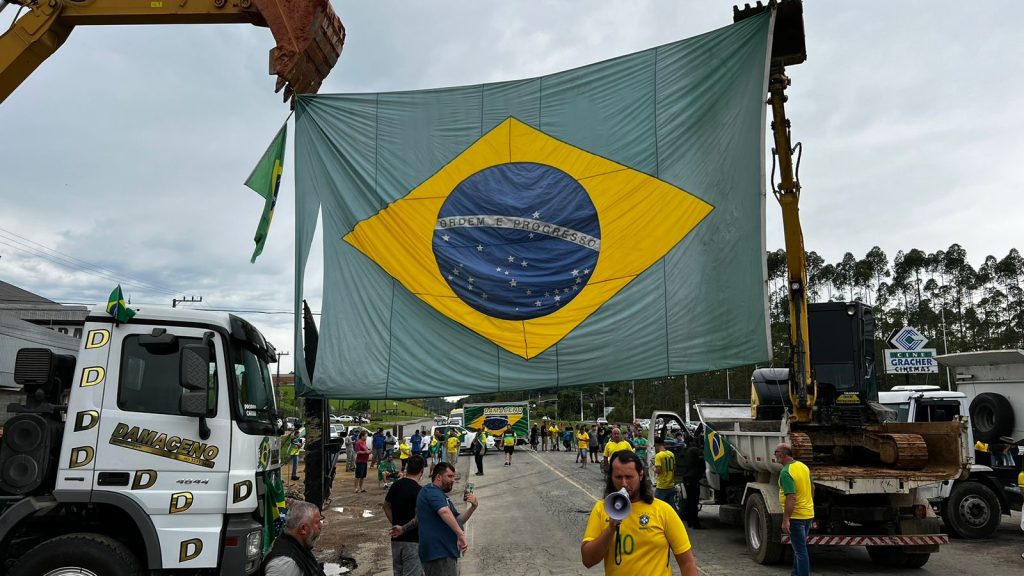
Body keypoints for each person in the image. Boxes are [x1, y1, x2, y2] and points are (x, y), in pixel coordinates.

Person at [581, 451, 697, 576]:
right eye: (618, 477)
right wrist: (610, 529)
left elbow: (687, 563)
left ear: (640, 475)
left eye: (629, 477)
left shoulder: (663, 510)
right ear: (611, 477)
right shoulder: (602, 509)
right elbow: (588, 560)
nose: (624, 484)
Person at [416, 462, 480, 576]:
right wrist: (461, 534)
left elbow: (458, 520)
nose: (453, 480)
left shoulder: (442, 496)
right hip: (438, 554)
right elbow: (444, 512)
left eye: (453, 477)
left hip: (446, 552)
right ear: (439, 477)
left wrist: (473, 507)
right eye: (449, 476)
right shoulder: (430, 491)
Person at [385, 455, 426, 576]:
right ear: (421, 471)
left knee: (398, 572)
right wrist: (404, 528)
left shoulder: (396, 486)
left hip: (396, 540)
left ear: (407, 468)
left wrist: (395, 523)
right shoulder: (419, 491)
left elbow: (386, 506)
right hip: (413, 540)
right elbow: (419, 518)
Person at [776, 443, 813, 576]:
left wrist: (786, 520)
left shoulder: (786, 472)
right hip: (808, 514)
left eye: (776, 452)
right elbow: (812, 488)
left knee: (800, 551)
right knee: (799, 549)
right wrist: (808, 504)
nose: (775, 455)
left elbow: (791, 497)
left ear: (783, 454)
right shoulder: (803, 467)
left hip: (796, 517)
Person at [262, 499, 326, 576]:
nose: (320, 526)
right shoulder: (285, 564)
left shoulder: (297, 544)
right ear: (303, 529)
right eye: (317, 522)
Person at [680, 436, 705, 529]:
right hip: (693, 478)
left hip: (686, 478)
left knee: (689, 501)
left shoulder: (685, 450)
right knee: (694, 502)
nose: (695, 443)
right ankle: (695, 523)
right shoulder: (694, 450)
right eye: (694, 441)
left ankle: (690, 521)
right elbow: (706, 455)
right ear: (690, 442)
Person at [653, 438, 677, 511]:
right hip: (671, 484)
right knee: (670, 507)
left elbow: (658, 470)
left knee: (657, 506)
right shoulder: (671, 454)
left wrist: (653, 468)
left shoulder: (659, 455)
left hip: (662, 485)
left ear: (657, 445)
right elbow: (674, 467)